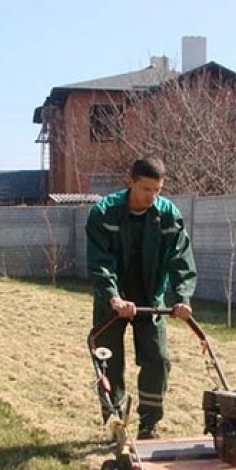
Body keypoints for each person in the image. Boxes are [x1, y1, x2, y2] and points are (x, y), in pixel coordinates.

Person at [86, 157, 197, 440]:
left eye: (157, 190)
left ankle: (149, 425)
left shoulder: (168, 215)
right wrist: (113, 297)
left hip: (151, 300)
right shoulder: (104, 213)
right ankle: (116, 424)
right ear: (130, 182)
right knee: (109, 361)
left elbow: (180, 259)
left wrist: (182, 297)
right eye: (146, 189)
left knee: (158, 360)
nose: (152, 196)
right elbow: (100, 262)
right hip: (112, 302)